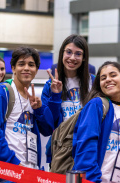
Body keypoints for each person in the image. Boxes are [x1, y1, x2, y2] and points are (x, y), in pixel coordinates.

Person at [0, 46, 54, 183]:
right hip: (8, 175)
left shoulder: (34, 98)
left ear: (36, 70)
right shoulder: (1, 93)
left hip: (31, 174)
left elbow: (48, 129)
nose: (26, 68)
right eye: (21, 64)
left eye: (31, 65)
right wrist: (14, 164)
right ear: (13, 68)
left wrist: (39, 109)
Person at [41, 34, 95, 163]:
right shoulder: (50, 85)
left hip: (87, 148)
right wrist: (55, 95)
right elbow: (48, 125)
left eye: (78, 54)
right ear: (62, 53)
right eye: (69, 52)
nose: (72, 58)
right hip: (61, 149)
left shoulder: (93, 82)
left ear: (83, 58)